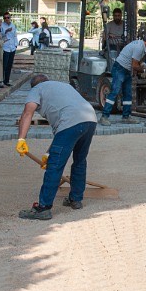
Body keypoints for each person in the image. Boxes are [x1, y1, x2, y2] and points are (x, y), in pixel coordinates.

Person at [16, 74, 98, 220]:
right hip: (90, 119)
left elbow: (27, 113)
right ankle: (75, 199)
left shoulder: (37, 89)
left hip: (70, 122)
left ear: (34, 86)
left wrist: (21, 139)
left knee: (54, 166)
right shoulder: (62, 87)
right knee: (80, 160)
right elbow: (61, 131)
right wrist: (48, 154)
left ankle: (43, 208)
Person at [103, 29, 146, 121]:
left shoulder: (140, 45)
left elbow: (136, 61)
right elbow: (134, 65)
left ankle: (126, 116)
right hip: (120, 68)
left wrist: (141, 64)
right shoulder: (139, 47)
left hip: (126, 69)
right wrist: (143, 70)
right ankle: (104, 116)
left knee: (127, 93)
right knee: (115, 91)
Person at [0, 13, 18, 86]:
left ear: (10, 18)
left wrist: (16, 44)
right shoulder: (2, 25)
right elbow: (0, 35)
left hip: (12, 47)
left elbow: (15, 35)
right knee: (4, 65)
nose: (6, 19)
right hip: (5, 47)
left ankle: (6, 80)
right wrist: (6, 31)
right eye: (5, 18)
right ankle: (1, 81)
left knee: (9, 65)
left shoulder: (13, 25)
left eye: (8, 17)